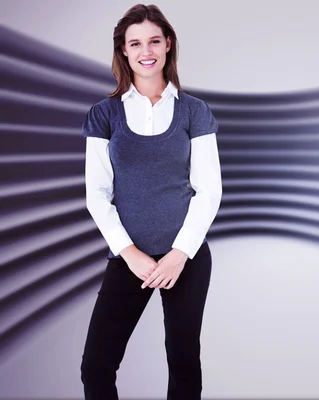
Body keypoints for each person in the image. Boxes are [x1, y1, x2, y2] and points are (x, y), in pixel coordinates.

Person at [79, 4, 222, 399]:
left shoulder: (194, 111)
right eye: (136, 42)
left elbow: (209, 190)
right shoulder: (104, 115)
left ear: (167, 45)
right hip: (130, 259)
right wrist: (130, 254)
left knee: (183, 364)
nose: (147, 50)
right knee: (97, 366)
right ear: (123, 50)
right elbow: (97, 195)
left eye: (154, 40)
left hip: (186, 260)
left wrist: (179, 254)